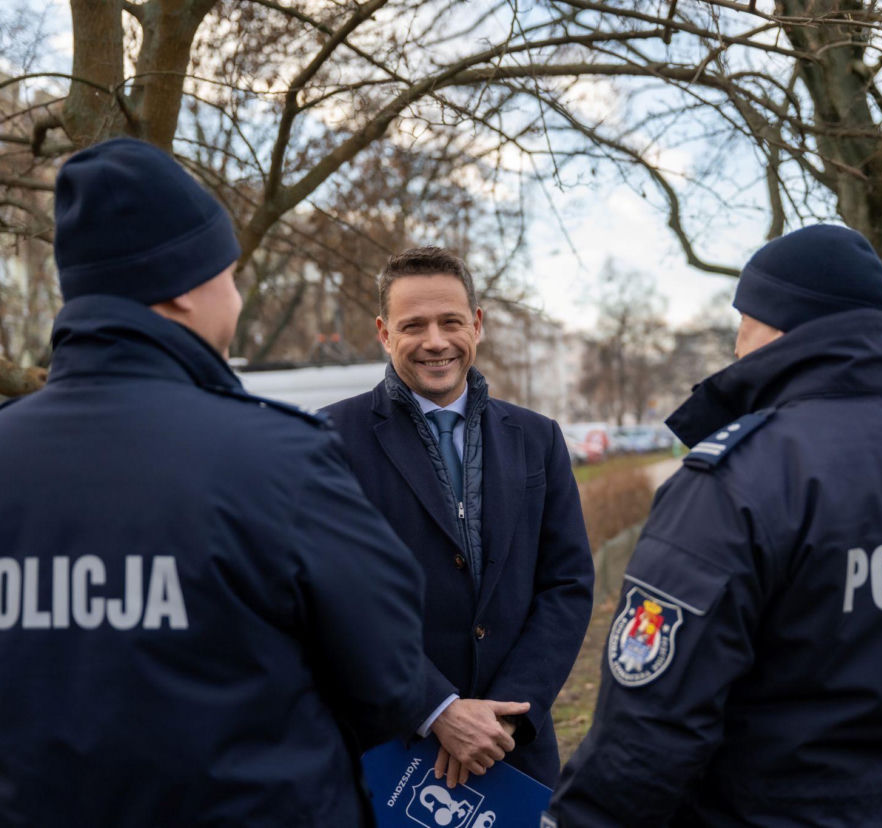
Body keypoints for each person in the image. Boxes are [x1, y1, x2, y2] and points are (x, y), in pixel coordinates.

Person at [0, 138, 426, 827]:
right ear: (180, 286)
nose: (234, 297)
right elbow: (391, 681)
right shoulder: (279, 461)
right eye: (228, 275)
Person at [546, 225, 882, 826]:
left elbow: (649, 734)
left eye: (745, 319)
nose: (736, 344)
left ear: (785, 322)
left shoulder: (736, 481)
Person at [322, 246, 594, 790]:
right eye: (413, 325)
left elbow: (567, 583)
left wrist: (508, 715)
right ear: (383, 332)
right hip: (389, 750)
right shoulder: (328, 439)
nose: (436, 341)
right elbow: (328, 598)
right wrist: (438, 708)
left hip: (510, 752)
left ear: (477, 323)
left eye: (450, 321)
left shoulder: (537, 437)